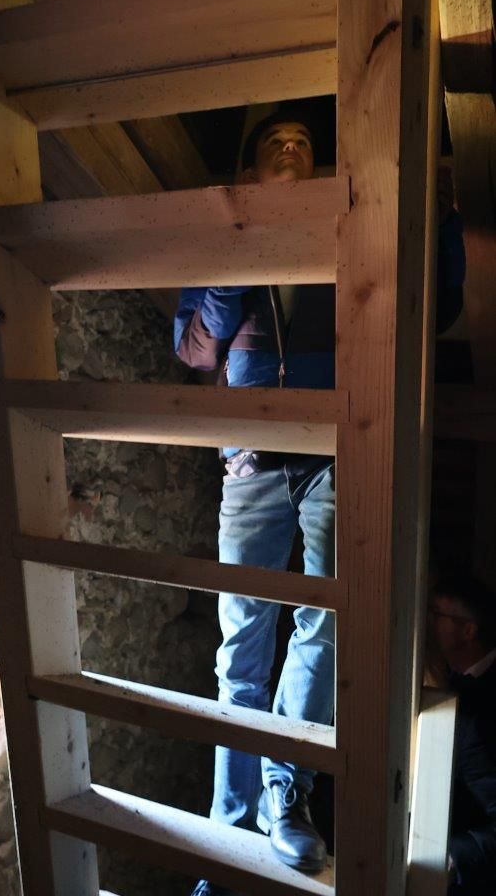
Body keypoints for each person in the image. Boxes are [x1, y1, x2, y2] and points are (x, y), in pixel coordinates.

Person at [174, 100, 466, 896]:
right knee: (242, 646)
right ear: (250, 168)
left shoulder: (347, 229)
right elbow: (194, 347)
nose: (292, 148)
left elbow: (433, 308)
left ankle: (285, 797)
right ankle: (228, 828)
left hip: (333, 452)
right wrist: (240, 253)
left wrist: (442, 223)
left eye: (304, 141)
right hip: (251, 461)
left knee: (323, 624)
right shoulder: (227, 238)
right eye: (276, 141)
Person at [428, 576, 496, 895]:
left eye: (436, 614)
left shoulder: (484, 713)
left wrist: (454, 857)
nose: (427, 623)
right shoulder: (449, 676)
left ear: (468, 631)